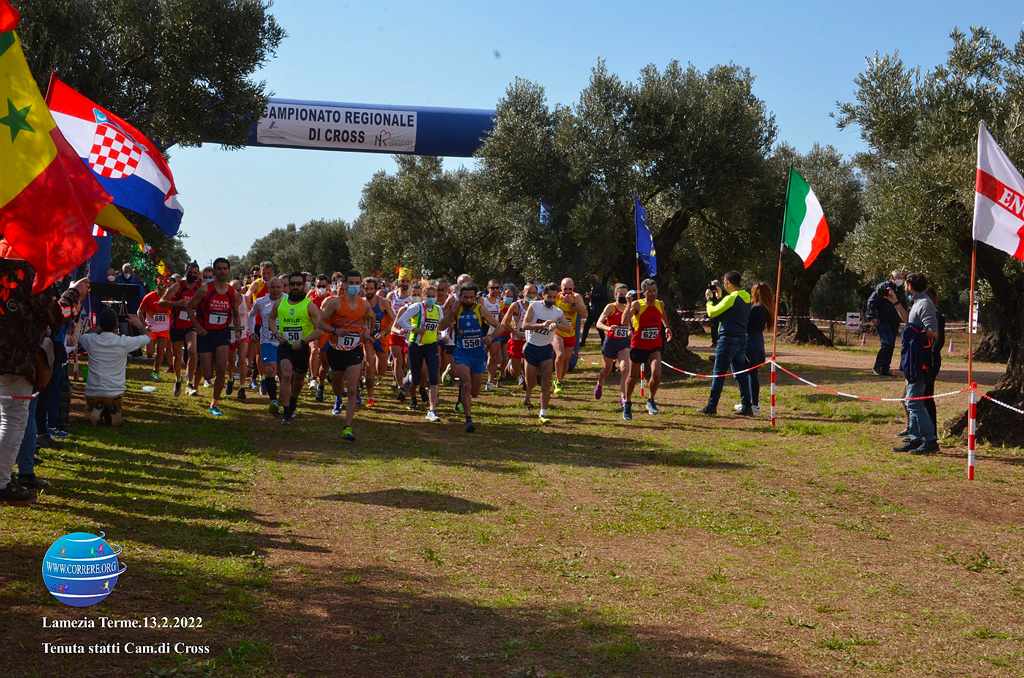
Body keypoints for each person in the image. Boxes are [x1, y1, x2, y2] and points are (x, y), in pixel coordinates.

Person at [0, 256, 87, 505]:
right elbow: (58, 317)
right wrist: (74, 293)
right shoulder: (30, 272)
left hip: (10, 357)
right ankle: (2, 482)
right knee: (14, 418)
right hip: (13, 359)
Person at [318, 270, 374, 441]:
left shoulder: (364, 305)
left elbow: (366, 321)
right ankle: (336, 396)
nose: (355, 286)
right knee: (337, 387)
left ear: (361, 286)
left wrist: (366, 333)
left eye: (358, 283)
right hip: (336, 350)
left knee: (351, 389)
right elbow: (320, 323)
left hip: (355, 351)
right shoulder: (335, 303)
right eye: (352, 283)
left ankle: (347, 427)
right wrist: (335, 330)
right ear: (346, 284)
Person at [438, 283, 501, 432]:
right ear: (460, 297)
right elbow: (440, 326)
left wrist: (490, 337)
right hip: (462, 353)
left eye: (471, 297)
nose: (468, 300)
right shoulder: (456, 310)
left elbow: (499, 326)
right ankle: (468, 419)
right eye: (465, 297)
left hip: (478, 354)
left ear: (475, 297)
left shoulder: (480, 310)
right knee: (466, 384)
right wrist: (452, 312)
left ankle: (455, 381)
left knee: (474, 392)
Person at [76, 309, 152, 426]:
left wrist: (100, 326)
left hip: (93, 392)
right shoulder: (123, 342)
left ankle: (94, 412)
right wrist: (138, 324)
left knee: (88, 412)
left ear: (100, 324)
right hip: (115, 393)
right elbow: (147, 338)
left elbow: (83, 336)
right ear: (116, 325)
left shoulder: (91, 340)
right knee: (114, 407)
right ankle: (113, 413)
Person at [185, 258, 241, 416]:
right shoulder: (205, 289)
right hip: (206, 334)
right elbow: (189, 307)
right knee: (208, 374)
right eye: (219, 269)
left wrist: (237, 330)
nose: (222, 271)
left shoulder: (233, 293)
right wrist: (197, 326)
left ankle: (214, 403)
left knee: (222, 368)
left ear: (228, 271)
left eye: (225, 268)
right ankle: (198, 375)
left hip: (222, 333)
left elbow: (236, 314)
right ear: (214, 272)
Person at [891, 273, 940, 455]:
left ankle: (930, 440)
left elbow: (933, 333)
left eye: (905, 284)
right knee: (910, 400)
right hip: (912, 358)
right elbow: (909, 321)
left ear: (910, 286)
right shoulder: (918, 303)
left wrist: (913, 332)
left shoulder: (925, 304)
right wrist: (895, 301)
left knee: (913, 402)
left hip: (921, 359)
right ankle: (915, 439)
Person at [268, 272, 324, 424]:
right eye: (292, 284)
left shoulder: (309, 306)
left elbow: (320, 329)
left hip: (302, 347)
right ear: (288, 286)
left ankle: (293, 401)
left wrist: (304, 342)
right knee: (286, 375)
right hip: (285, 346)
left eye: (299, 284)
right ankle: (286, 413)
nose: (295, 287)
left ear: (304, 285)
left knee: (298, 381)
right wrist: (275, 332)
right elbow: (271, 318)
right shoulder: (280, 303)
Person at [699, 271, 753, 416]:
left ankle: (711, 406)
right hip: (741, 338)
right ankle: (747, 406)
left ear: (728, 283)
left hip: (727, 339)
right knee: (741, 374)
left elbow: (713, 313)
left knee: (719, 374)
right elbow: (730, 311)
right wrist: (721, 297)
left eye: (724, 282)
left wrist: (709, 300)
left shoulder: (732, 298)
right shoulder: (746, 297)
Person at [622, 278, 673, 419]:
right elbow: (624, 321)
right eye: (649, 291)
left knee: (656, 373)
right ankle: (628, 403)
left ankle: (650, 401)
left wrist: (667, 327)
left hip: (654, 345)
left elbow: (662, 315)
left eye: (654, 291)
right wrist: (628, 304)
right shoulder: (637, 304)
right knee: (633, 376)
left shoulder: (660, 304)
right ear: (643, 292)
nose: (652, 294)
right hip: (638, 345)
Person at [521, 283, 571, 422]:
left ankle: (542, 413)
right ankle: (528, 395)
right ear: (543, 295)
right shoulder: (534, 306)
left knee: (546, 382)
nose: (552, 300)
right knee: (530, 383)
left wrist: (558, 325)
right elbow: (525, 326)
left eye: (555, 297)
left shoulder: (557, 312)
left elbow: (569, 328)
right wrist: (542, 325)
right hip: (531, 347)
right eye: (549, 296)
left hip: (546, 349)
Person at [394, 282, 444, 421]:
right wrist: (414, 329)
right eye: (428, 296)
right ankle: (408, 379)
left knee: (433, 376)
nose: (431, 299)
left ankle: (432, 410)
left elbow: (440, 325)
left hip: (431, 346)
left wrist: (441, 335)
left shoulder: (438, 309)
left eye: (433, 296)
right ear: (423, 296)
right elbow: (401, 321)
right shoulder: (416, 307)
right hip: (415, 345)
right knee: (416, 378)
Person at [158, 262, 203, 397]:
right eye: (191, 272)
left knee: (192, 351)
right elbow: (161, 302)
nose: (193, 275)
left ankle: (190, 383)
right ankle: (178, 379)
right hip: (176, 325)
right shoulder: (178, 286)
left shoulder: (199, 288)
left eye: (196, 273)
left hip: (191, 325)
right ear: (186, 272)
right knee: (177, 356)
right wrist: (176, 303)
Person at [733, 282, 773, 416]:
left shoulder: (756, 308)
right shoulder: (763, 308)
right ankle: (750, 403)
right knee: (751, 374)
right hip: (757, 341)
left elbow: (744, 320)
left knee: (749, 373)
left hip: (750, 341)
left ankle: (752, 404)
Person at [249, 276, 285, 415]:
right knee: (271, 368)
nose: (276, 290)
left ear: (282, 288)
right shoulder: (261, 302)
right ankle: (273, 400)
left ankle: (284, 396)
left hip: (284, 342)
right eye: (273, 287)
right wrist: (252, 332)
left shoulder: (289, 300)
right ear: (268, 288)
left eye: (278, 287)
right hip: (267, 342)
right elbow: (251, 316)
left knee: (284, 372)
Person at [594, 283, 632, 407]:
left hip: (624, 343)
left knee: (625, 369)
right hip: (610, 342)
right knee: (606, 370)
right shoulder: (610, 307)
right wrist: (608, 327)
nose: (622, 297)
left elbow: (630, 324)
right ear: (615, 295)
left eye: (625, 295)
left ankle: (623, 397)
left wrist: (631, 331)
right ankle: (600, 383)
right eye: (620, 294)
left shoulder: (629, 308)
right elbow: (598, 323)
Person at [865, 270, 906, 376]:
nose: (901, 281)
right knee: (887, 343)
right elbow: (871, 302)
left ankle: (885, 368)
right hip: (883, 320)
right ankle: (877, 366)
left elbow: (903, 303)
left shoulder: (901, 290)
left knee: (891, 344)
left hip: (894, 321)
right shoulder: (883, 287)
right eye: (899, 279)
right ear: (893, 278)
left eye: (902, 278)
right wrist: (872, 316)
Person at [363, 277, 395, 408]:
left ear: (376, 290)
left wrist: (384, 333)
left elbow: (394, 320)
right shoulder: (360, 303)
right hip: (367, 338)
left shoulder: (383, 302)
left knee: (381, 369)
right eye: (366, 288)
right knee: (369, 366)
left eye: (371, 289)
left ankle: (378, 376)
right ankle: (371, 397)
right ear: (363, 289)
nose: (369, 291)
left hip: (382, 337)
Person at [553, 278, 588, 396]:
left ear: (573, 288)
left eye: (570, 289)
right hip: (557, 332)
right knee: (560, 355)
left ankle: (559, 380)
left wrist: (572, 304)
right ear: (560, 288)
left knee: (566, 361)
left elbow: (585, 314)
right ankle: (558, 383)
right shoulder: (556, 297)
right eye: (565, 289)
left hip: (571, 333)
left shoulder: (576, 297)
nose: (567, 292)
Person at [501, 283, 539, 391]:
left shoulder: (538, 306)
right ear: (523, 293)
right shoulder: (516, 306)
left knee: (531, 367)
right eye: (529, 293)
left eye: (534, 293)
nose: (531, 296)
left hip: (531, 341)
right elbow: (504, 323)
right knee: (515, 373)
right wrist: (516, 333)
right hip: (517, 340)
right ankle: (510, 368)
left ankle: (527, 385)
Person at [307, 274, 333, 402]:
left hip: (326, 330)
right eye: (319, 286)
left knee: (325, 363)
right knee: (313, 350)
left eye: (323, 286)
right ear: (315, 285)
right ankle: (313, 379)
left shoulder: (331, 297)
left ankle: (321, 384)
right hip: (312, 329)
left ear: (327, 286)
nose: (321, 288)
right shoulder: (311, 294)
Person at [139, 279, 172, 381]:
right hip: (151, 327)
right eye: (160, 286)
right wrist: (144, 325)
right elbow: (140, 311)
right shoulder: (149, 297)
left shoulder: (170, 298)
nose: (162, 289)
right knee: (149, 353)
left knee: (161, 348)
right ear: (156, 286)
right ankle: (149, 352)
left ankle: (155, 370)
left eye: (164, 286)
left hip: (164, 328)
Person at [227, 279, 251, 401]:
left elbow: (250, 313)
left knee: (242, 359)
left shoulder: (245, 299)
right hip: (230, 333)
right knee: (230, 362)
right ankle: (230, 379)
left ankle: (242, 388)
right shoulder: (226, 300)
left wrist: (251, 330)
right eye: (232, 289)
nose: (235, 292)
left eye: (237, 289)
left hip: (243, 332)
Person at [580, 274, 607, 348]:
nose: (592, 279)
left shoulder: (600, 286)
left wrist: (592, 296)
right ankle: (583, 342)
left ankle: (603, 341)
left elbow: (602, 296)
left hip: (597, 310)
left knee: (598, 326)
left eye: (594, 277)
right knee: (586, 326)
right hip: (591, 310)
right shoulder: (591, 287)